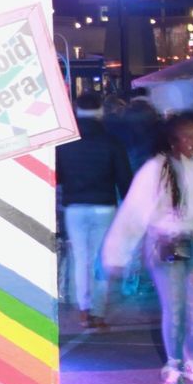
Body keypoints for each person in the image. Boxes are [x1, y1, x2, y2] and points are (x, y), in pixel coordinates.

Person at [104, 113, 193, 384]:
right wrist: (117, 255)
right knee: (175, 306)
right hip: (166, 244)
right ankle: (174, 365)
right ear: (174, 141)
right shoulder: (155, 169)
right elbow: (133, 213)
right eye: (187, 135)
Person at [55, 91, 131, 329]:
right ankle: (98, 313)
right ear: (100, 110)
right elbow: (124, 179)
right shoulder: (112, 141)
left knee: (81, 258)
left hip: (74, 206)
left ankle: (83, 309)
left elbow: (57, 175)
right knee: (101, 259)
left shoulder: (66, 143)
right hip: (104, 205)